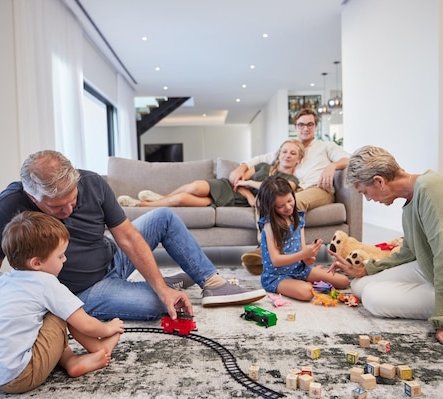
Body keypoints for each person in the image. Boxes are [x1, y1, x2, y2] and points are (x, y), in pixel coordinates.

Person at [0, 150, 265, 352]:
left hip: (112, 257)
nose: (69, 209)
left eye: (73, 200)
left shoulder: (93, 182)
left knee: (162, 217)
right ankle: (164, 284)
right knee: (157, 306)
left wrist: (158, 285)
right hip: (84, 291)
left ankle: (210, 281)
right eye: (58, 207)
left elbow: (128, 236)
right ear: (34, 197)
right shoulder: (4, 211)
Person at [328, 146, 443, 354]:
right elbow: (409, 251)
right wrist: (368, 269)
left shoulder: (433, 192)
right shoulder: (412, 196)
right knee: (360, 285)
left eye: (365, 192)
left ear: (379, 181)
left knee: (371, 297)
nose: (369, 199)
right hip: (434, 268)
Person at [0, 211, 124, 393]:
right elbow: (85, 324)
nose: (65, 259)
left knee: (48, 312)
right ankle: (95, 349)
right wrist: (108, 328)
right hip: (23, 375)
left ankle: (69, 359)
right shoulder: (45, 283)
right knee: (62, 312)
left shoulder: (4, 280)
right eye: (60, 256)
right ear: (37, 263)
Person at [230, 108, 351, 273]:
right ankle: (266, 246)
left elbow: (348, 158)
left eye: (310, 124)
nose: (305, 128)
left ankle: (277, 251)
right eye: (301, 124)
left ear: (315, 126)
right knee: (269, 200)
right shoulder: (290, 148)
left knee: (293, 203)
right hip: (292, 190)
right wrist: (241, 167)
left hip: (318, 189)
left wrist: (333, 166)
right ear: (296, 127)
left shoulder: (325, 146)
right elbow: (260, 159)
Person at [117, 139, 304, 208]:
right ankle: (160, 197)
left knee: (181, 200)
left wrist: (249, 187)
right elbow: (239, 182)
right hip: (228, 188)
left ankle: (140, 204)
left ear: (298, 159)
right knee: (194, 186)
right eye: (285, 151)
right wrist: (248, 192)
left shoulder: (291, 180)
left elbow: (280, 193)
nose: (287, 155)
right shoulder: (263, 166)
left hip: (232, 201)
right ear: (279, 153)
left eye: (293, 153)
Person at [256, 176, 349, 301]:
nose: (288, 207)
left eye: (290, 200)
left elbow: (304, 254)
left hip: (300, 270)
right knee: (307, 293)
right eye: (280, 206)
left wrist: (309, 256)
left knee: (343, 281)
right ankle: (303, 283)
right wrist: (303, 254)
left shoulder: (298, 219)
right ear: (271, 207)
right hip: (277, 276)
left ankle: (306, 280)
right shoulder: (270, 226)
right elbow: (276, 260)